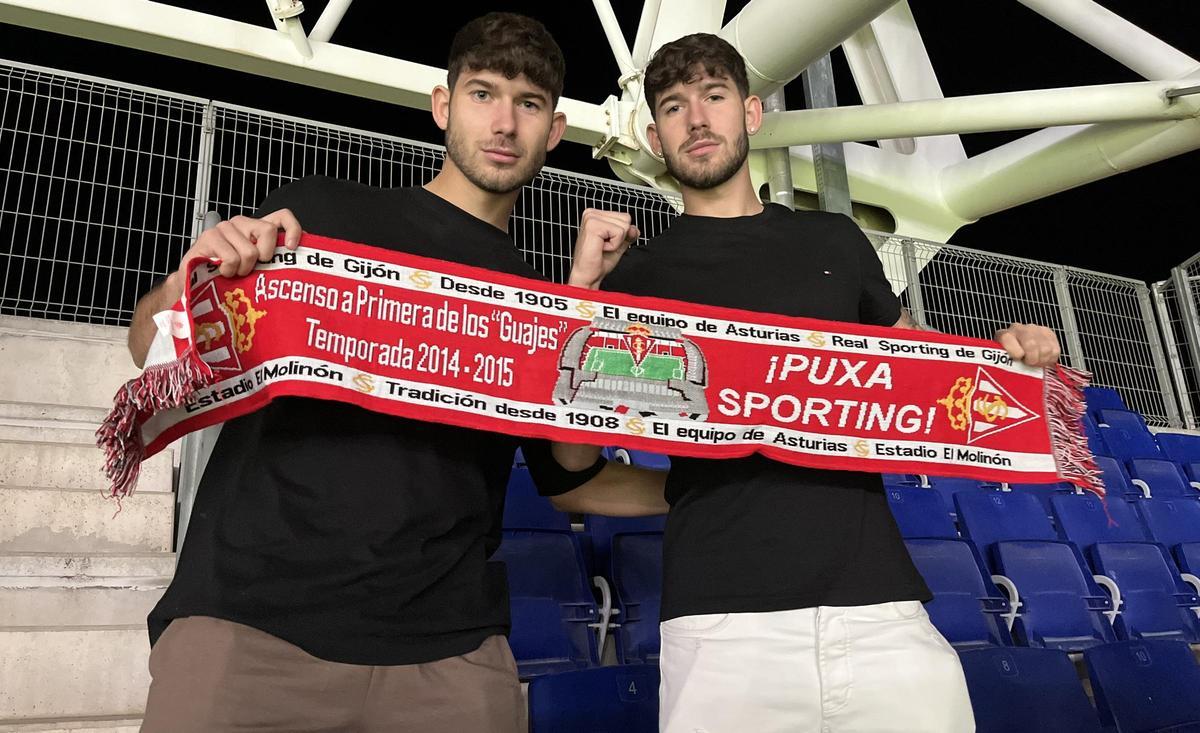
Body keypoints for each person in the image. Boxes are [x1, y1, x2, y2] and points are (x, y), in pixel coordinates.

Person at [129, 13, 661, 732]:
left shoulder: (536, 301)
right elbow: (148, 346)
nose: (503, 122)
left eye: (528, 104)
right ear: (443, 107)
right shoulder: (317, 217)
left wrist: (585, 309)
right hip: (253, 634)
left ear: (554, 130)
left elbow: (570, 476)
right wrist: (195, 276)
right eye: (483, 93)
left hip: (447, 660)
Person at [550, 33, 1064, 733]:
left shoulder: (835, 240)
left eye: (715, 96)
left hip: (880, 609)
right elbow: (571, 462)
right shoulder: (636, 278)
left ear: (752, 114)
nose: (697, 118)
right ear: (653, 135)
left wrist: (1005, 359)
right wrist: (582, 296)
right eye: (674, 107)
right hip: (721, 627)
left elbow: (919, 367)